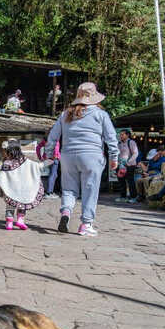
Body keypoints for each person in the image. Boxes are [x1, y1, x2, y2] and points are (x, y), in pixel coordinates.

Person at [44, 81, 119, 237]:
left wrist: (50, 152)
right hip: (91, 156)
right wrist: (114, 156)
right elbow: (111, 137)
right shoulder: (100, 114)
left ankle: (66, 211)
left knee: (69, 189)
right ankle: (86, 224)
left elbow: (53, 136)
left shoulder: (66, 114)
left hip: (68, 156)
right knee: (90, 190)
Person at [0, 140, 43, 230]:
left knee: (10, 206)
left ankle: (9, 223)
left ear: (11, 151)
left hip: (11, 189)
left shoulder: (6, 163)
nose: (4, 153)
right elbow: (36, 166)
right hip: (22, 188)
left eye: (6, 151)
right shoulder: (25, 160)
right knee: (22, 204)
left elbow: (2, 175)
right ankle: (20, 221)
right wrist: (49, 161)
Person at [113, 130, 141, 199]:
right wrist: (117, 163)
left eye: (122, 134)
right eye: (120, 135)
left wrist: (128, 162)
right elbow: (118, 154)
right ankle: (123, 197)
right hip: (120, 165)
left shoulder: (131, 142)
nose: (121, 136)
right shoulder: (119, 143)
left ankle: (133, 197)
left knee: (130, 181)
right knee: (121, 181)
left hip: (130, 165)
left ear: (127, 135)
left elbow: (135, 153)